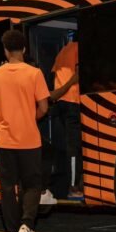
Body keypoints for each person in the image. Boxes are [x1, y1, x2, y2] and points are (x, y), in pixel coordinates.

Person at [0, 30, 49, 232]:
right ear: (24, 49)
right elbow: (44, 107)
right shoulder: (34, 73)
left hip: (4, 140)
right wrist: (29, 118)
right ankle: (26, 226)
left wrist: (4, 116)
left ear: (5, 50)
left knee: (7, 188)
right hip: (29, 139)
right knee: (32, 185)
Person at [51, 38, 83, 199]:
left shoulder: (63, 51)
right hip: (73, 101)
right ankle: (73, 186)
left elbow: (55, 76)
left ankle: (73, 183)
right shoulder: (78, 48)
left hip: (61, 102)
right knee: (74, 146)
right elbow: (78, 74)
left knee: (71, 144)